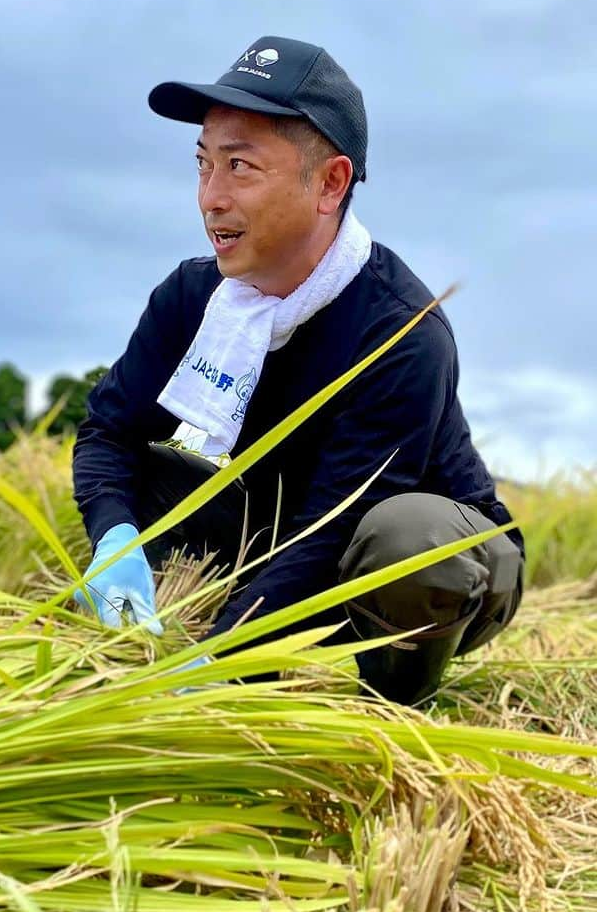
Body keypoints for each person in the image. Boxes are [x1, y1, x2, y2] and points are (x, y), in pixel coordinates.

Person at [72, 36, 524, 705]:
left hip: (423, 562)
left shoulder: (399, 332)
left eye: (240, 167)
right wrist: (114, 539)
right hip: (279, 527)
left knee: (405, 541)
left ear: (330, 183)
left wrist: (216, 670)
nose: (210, 198)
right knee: (134, 492)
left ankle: (396, 708)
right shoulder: (193, 300)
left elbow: (336, 524)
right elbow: (107, 435)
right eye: (203, 164)